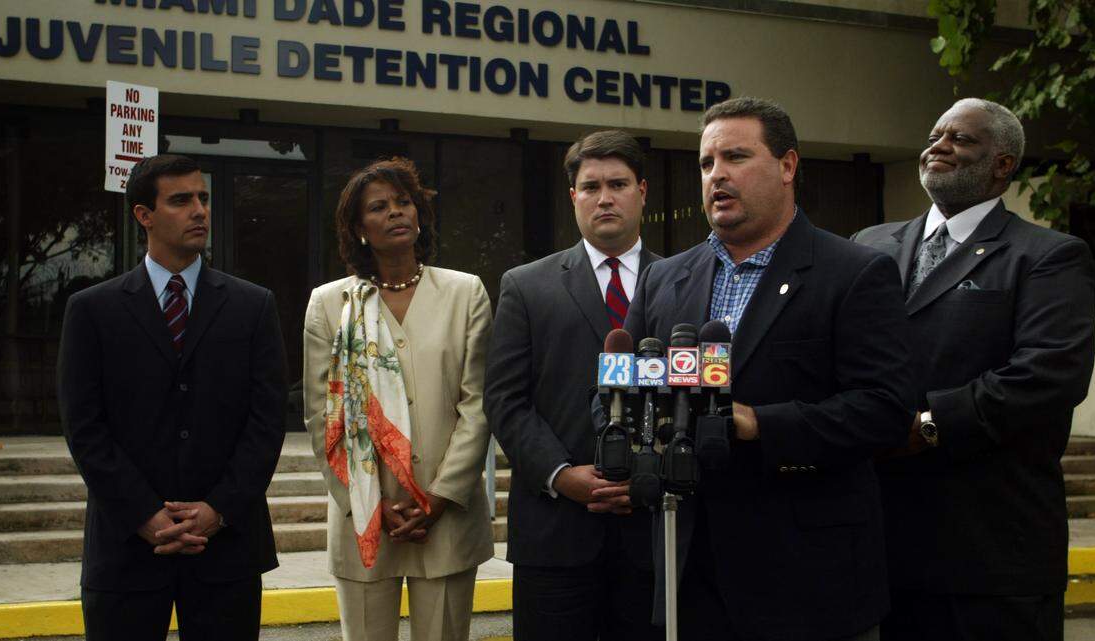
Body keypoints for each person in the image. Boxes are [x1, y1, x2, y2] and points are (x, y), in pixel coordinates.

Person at [624, 97, 916, 641]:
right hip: (689, 574)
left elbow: (886, 410)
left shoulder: (854, 272)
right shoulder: (664, 279)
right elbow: (618, 386)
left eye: (736, 156)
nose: (718, 175)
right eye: (707, 163)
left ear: (787, 166)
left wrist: (761, 423)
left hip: (808, 581)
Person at [852, 98, 1095, 641]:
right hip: (879, 549)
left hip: (989, 557)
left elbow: (1049, 373)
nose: (937, 146)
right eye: (935, 134)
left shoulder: (1048, 256)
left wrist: (927, 426)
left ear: (1003, 165)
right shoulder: (867, 247)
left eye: (960, 139)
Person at [57, 154, 288, 639]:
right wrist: (144, 514)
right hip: (126, 546)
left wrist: (217, 509)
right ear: (144, 215)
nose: (199, 210)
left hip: (226, 549)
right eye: (181, 200)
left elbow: (266, 423)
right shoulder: (91, 311)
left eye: (203, 198)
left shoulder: (253, 306)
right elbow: (84, 426)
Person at [302, 157, 494, 641]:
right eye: (379, 207)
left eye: (404, 202)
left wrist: (440, 497)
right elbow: (321, 418)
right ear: (357, 227)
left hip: (447, 520)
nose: (395, 213)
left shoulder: (464, 293)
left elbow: (478, 406)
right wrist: (365, 503)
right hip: (365, 520)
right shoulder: (330, 305)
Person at [485, 130, 663, 641]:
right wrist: (561, 474)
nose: (604, 197)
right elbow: (504, 399)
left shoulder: (682, 279)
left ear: (642, 191)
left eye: (618, 184)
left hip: (652, 529)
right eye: (590, 187)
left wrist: (650, 476)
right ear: (573, 198)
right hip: (555, 532)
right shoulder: (526, 284)